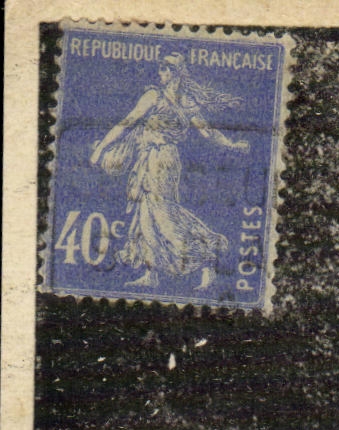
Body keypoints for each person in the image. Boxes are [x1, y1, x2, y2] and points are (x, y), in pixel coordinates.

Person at [89, 53, 249, 291]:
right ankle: (150, 273)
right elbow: (129, 121)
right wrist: (103, 145)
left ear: (176, 73)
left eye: (165, 69)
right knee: (147, 214)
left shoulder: (175, 100)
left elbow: (207, 132)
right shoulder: (161, 96)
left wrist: (231, 145)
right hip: (151, 158)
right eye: (160, 69)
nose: (160, 73)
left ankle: (207, 257)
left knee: (163, 213)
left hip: (163, 159)